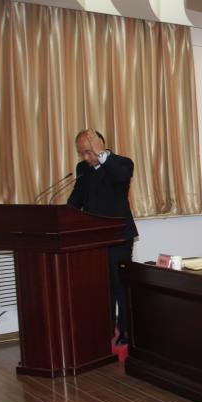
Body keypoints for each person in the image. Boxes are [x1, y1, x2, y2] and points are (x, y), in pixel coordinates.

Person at [66, 129, 137, 345]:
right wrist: (61, 215)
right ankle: (104, 332)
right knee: (100, 287)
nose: (85, 158)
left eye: (88, 152)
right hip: (93, 239)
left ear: (99, 146)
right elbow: (75, 202)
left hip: (118, 237)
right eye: (81, 153)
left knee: (119, 285)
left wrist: (102, 155)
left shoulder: (122, 163)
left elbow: (121, 176)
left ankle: (126, 332)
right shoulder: (83, 170)